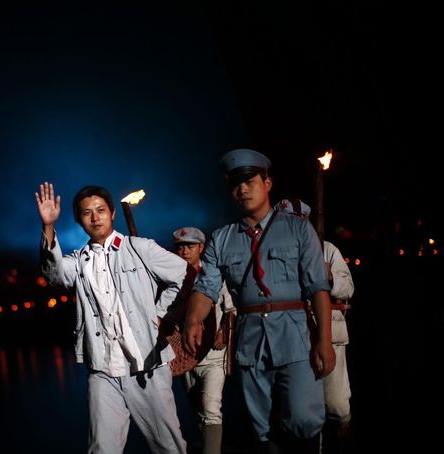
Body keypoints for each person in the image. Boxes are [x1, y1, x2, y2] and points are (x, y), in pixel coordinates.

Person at [181, 148, 336, 454]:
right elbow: (207, 287)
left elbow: (319, 288)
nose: (242, 189)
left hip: (296, 337)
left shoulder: (298, 229)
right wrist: (192, 320)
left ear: (268, 183)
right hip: (251, 340)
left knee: (304, 417)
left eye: (250, 181)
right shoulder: (222, 239)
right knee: (261, 428)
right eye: (235, 184)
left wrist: (325, 340)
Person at [35, 181, 189, 454]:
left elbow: (185, 275)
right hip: (103, 370)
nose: (95, 217)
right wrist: (48, 226)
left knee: (168, 447)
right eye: (86, 213)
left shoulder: (140, 248)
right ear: (79, 220)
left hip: (147, 366)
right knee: (101, 449)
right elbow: (54, 275)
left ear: (113, 213)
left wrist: (161, 314)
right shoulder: (79, 260)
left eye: (101, 210)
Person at [275, 198, 355, 453]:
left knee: (336, 405)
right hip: (293, 335)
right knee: (302, 407)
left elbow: (348, 288)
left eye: (296, 220)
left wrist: (329, 276)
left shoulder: (327, 249)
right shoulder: (271, 250)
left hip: (329, 333)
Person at [173, 226, 236, 454]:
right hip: (185, 354)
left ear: (201, 247)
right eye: (180, 246)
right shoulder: (171, 278)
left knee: (211, 408)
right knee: (197, 410)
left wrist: (223, 333)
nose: (185, 251)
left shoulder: (215, 274)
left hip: (214, 355)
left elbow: (231, 309)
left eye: (190, 246)